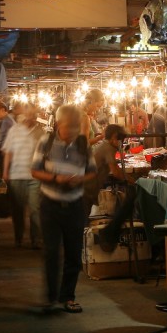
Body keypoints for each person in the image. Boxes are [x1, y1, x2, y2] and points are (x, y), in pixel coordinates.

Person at [31, 104, 97, 314]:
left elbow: (92, 171)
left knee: (74, 254)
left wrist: (80, 179)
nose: (74, 131)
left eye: (77, 127)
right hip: (50, 204)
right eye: (70, 127)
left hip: (75, 205)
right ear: (59, 124)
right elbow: (34, 171)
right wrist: (55, 178)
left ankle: (68, 296)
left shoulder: (83, 144)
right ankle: (51, 298)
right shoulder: (46, 142)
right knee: (51, 252)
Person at [2, 102, 45, 249]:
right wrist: (5, 171)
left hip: (34, 176)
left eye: (33, 114)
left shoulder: (40, 133)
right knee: (18, 209)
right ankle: (18, 237)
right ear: (24, 114)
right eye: (28, 114)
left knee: (35, 209)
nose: (30, 117)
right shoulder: (14, 130)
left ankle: (36, 239)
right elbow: (8, 152)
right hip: (16, 175)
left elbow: (45, 154)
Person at [92, 124, 138, 252]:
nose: (122, 143)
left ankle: (108, 234)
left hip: (90, 185)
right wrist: (131, 180)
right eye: (121, 139)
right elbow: (116, 172)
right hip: (88, 186)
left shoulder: (105, 146)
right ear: (114, 137)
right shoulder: (108, 148)